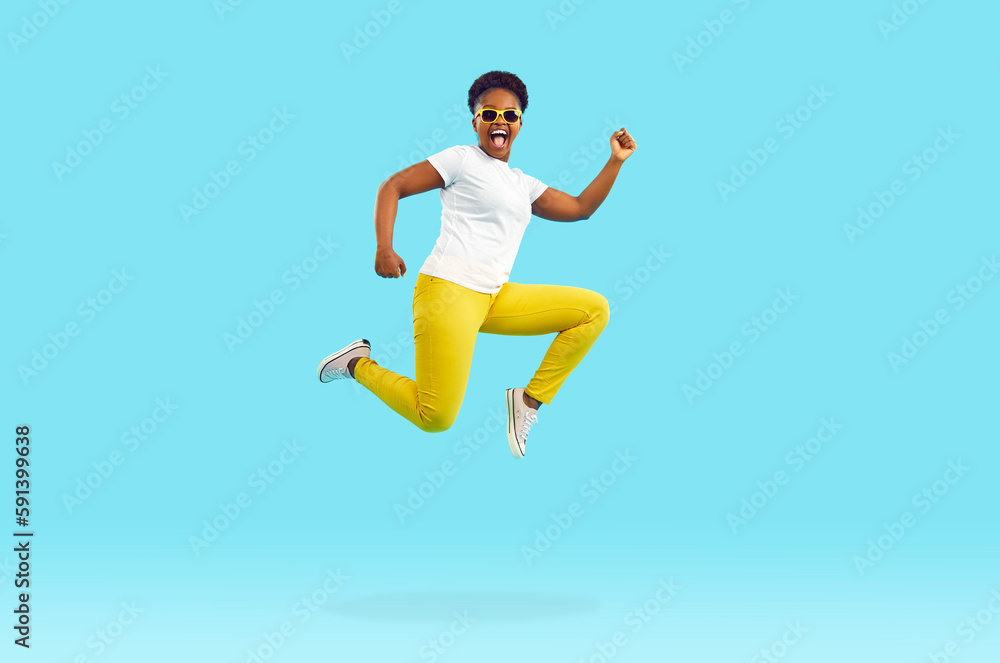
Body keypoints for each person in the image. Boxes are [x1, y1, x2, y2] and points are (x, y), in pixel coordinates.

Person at [317, 70, 636, 458]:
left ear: (519, 124)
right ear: (476, 122)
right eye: (489, 114)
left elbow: (581, 208)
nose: (499, 120)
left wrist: (615, 161)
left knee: (594, 310)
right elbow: (392, 186)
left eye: (510, 115)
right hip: (448, 291)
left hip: (494, 297)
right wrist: (385, 247)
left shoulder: (523, 184)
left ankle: (529, 401)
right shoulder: (462, 159)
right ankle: (356, 364)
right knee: (435, 417)